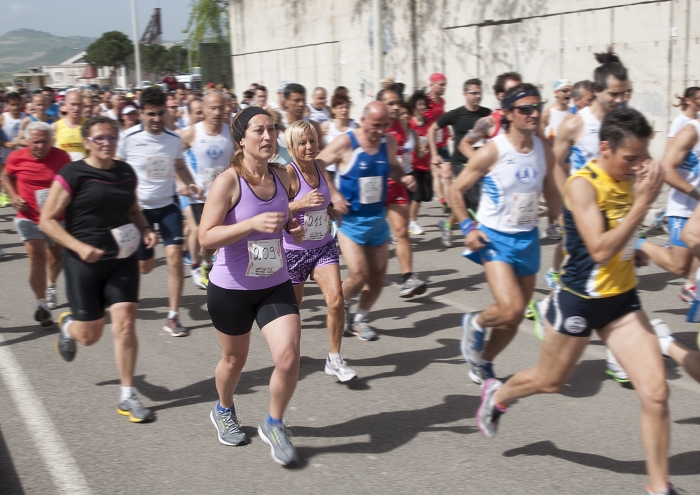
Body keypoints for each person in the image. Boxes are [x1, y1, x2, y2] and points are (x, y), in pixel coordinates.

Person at [476, 108, 677, 495]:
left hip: (621, 301)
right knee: (550, 381)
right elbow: (600, 250)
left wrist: (637, 248)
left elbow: (620, 239)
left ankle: (658, 486)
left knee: (656, 392)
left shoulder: (632, 178)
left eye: (642, 157)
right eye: (629, 158)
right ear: (605, 148)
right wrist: (642, 205)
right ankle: (498, 394)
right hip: (580, 300)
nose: (637, 166)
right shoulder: (584, 185)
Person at [199, 106, 304, 465]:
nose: (268, 136)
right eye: (258, 130)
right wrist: (251, 224)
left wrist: (292, 228)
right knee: (234, 359)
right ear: (241, 140)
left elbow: (284, 219)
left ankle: (274, 423)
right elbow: (206, 238)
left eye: (272, 129)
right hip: (230, 288)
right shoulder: (228, 182)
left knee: (289, 358)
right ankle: (223, 408)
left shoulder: (281, 176)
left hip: (274, 282)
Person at [40, 116, 158, 423]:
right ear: (87, 142)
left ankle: (127, 395)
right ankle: (68, 327)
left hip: (122, 258)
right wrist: (78, 247)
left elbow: (133, 209)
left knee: (125, 325)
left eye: (111, 137)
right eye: (100, 138)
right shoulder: (73, 173)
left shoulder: (124, 171)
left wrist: (145, 229)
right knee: (90, 336)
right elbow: (47, 220)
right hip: (83, 263)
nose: (106, 143)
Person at [454, 84, 558, 385]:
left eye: (537, 107)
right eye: (525, 108)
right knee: (511, 308)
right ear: (510, 114)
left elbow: (551, 190)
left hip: (528, 238)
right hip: (494, 237)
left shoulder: (543, 149)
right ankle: (474, 321)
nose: (534, 113)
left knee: (514, 317)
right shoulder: (493, 150)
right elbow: (455, 189)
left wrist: (563, 223)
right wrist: (466, 227)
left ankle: (483, 362)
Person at [315, 101, 417, 340]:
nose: (380, 131)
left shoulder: (389, 143)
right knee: (359, 274)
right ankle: (339, 304)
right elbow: (317, 165)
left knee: (379, 273)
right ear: (363, 120)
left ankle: (359, 318)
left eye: (384, 125)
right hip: (350, 221)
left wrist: (404, 177)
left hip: (377, 218)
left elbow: (392, 168)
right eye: (375, 125)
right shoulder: (345, 143)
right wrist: (334, 194)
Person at [116, 87, 202, 337]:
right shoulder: (128, 138)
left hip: (167, 206)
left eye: (161, 113)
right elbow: (118, 170)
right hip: (137, 210)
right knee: (145, 267)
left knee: (175, 258)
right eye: (151, 114)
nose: (156, 119)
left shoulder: (173, 139)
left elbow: (178, 164)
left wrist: (190, 182)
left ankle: (173, 316)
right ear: (141, 112)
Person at [283, 120, 357, 381]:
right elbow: (273, 210)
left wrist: (331, 210)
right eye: (302, 143)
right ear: (292, 147)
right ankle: (288, 358)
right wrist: (300, 203)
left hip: (323, 245)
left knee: (336, 299)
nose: (309, 147)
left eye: (312, 141)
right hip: (293, 251)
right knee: (292, 312)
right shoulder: (288, 173)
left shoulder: (321, 168)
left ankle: (334, 359)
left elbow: (322, 203)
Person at [2, 121, 71, 323]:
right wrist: (13, 195)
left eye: (44, 142)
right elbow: (6, 176)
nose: (40, 146)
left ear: (51, 141)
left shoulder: (61, 157)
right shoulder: (17, 157)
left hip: (56, 217)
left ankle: (51, 285)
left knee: (56, 260)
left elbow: (72, 182)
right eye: (36, 142)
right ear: (28, 141)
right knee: (37, 258)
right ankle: (41, 303)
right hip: (28, 217)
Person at [638, 112, 700, 302]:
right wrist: (696, 193)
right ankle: (637, 244)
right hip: (683, 207)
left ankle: (692, 286)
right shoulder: (691, 131)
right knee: (679, 266)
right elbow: (666, 168)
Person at [429, 78, 492, 247]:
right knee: (475, 200)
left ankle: (448, 224)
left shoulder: (487, 113)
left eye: (479, 92)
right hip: (460, 161)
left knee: (462, 200)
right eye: (473, 93)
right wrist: (434, 154)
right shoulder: (456, 114)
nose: (477, 96)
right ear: (465, 94)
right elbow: (432, 129)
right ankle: (480, 232)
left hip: (480, 161)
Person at [181, 92, 234, 289]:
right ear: (203, 110)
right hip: (199, 195)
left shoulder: (231, 132)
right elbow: (174, 159)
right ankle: (201, 265)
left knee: (222, 238)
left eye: (221, 108)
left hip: (225, 193)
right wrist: (184, 181)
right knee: (206, 238)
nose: (217, 112)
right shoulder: (191, 133)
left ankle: (210, 264)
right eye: (213, 108)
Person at [378, 89, 427, 298]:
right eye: (390, 103)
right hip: (372, 189)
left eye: (398, 103)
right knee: (367, 248)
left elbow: (403, 157)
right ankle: (346, 292)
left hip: (396, 186)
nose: (396, 107)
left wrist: (406, 174)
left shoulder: (402, 127)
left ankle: (408, 277)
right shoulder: (373, 127)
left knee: (401, 231)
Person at [423, 73, 449, 213]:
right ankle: (442, 200)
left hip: (443, 141)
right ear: (431, 85)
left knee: (447, 172)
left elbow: (443, 118)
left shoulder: (442, 101)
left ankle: (448, 200)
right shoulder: (425, 102)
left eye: (444, 84)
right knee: (436, 173)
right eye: (441, 84)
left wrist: (449, 130)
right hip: (430, 142)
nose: (444, 87)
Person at [407, 92, 432, 235]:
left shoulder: (429, 124)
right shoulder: (409, 122)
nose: (423, 107)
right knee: (417, 196)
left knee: (426, 196)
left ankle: (408, 217)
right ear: (414, 107)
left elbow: (435, 140)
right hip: (412, 165)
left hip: (426, 163)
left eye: (424, 104)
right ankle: (412, 222)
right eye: (419, 104)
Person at [320, 92, 357, 184]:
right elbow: (318, 145)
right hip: (329, 171)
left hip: (348, 170)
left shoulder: (355, 126)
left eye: (347, 107)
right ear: (333, 109)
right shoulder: (327, 126)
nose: (344, 110)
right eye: (341, 107)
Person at [53, 90, 87, 161]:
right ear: (65, 104)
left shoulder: (90, 125)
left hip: (84, 169)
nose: (76, 108)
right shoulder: (55, 126)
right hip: (63, 169)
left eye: (79, 104)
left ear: (83, 105)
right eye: (73, 104)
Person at [1, 92, 27, 164]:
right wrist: (5, 144)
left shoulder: (27, 117)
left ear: (21, 103)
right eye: (12, 105)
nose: (15, 107)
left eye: (17, 104)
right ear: (7, 105)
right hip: (8, 159)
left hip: (24, 158)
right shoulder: (2, 118)